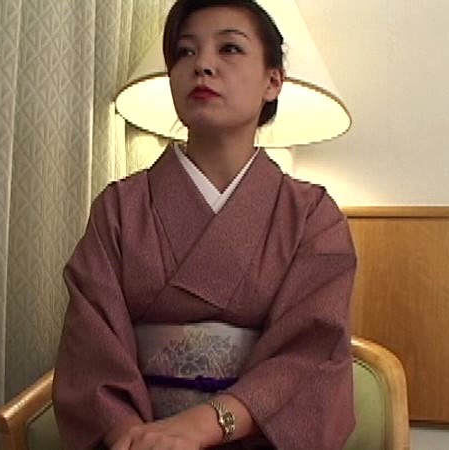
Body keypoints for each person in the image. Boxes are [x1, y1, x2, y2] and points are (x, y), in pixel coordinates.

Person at [53, 0, 357, 448]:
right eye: (185, 52)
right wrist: (135, 438)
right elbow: (91, 348)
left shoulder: (313, 216)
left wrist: (200, 427)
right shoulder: (119, 208)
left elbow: (309, 353)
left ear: (273, 81)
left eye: (229, 48)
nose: (202, 66)